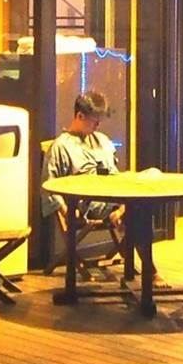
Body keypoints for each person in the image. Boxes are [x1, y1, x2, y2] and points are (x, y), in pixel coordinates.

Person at [42, 89, 131, 279]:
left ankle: (123, 210)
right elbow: (49, 185)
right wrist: (66, 210)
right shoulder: (61, 146)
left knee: (142, 199)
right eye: (94, 121)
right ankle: (150, 271)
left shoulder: (103, 141)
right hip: (89, 204)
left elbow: (115, 175)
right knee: (137, 214)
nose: (98, 126)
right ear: (80, 116)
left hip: (114, 195)